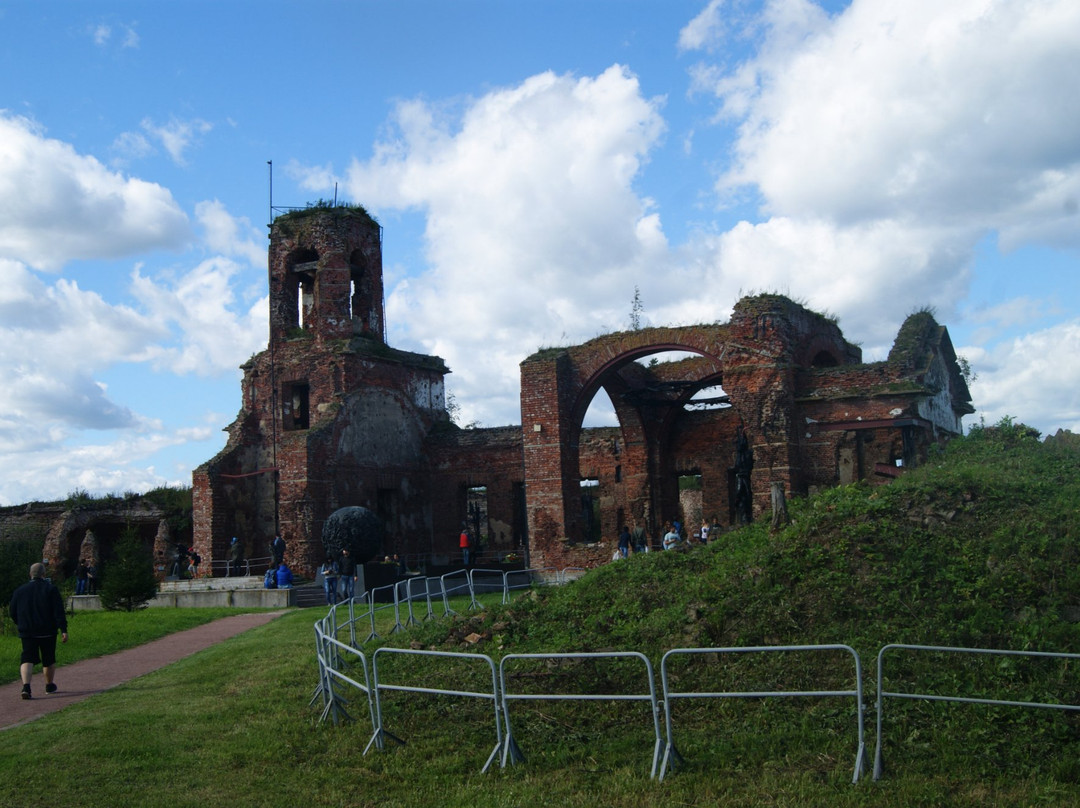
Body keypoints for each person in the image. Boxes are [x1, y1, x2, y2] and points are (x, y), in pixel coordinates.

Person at [9, 563, 68, 700]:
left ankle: (26, 686)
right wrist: (63, 629)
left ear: (30, 574)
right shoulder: (51, 589)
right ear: (44, 574)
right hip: (47, 630)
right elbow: (58, 611)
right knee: (48, 658)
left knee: (27, 658)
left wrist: (21, 623)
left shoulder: (20, 591)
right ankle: (49, 685)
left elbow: (12, 611)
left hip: (27, 631)